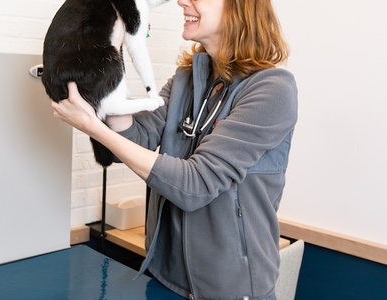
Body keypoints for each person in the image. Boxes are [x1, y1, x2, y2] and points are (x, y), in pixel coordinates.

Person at [52, 0, 298, 298]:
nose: (182, 1)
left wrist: (95, 127)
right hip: (163, 277)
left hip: (229, 290)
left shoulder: (272, 89)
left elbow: (194, 186)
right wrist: (111, 47)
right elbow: (131, 142)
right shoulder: (186, 80)